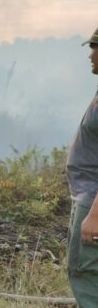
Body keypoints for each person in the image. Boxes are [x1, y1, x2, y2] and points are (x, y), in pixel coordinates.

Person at [67, 27, 98, 307]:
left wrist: (95, 215)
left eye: (95, 48)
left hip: (93, 200)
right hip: (87, 196)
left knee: (85, 272)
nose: (91, 55)